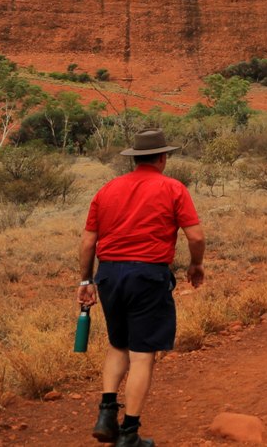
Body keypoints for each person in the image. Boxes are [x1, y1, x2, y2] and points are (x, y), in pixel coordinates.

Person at [77, 129, 205, 447]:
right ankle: (129, 434)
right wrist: (196, 265)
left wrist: (86, 280)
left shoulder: (107, 189)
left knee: (118, 345)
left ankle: (107, 413)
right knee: (143, 355)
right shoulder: (173, 188)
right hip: (147, 275)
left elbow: (88, 241)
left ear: (135, 158)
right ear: (162, 157)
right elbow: (196, 237)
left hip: (108, 275)